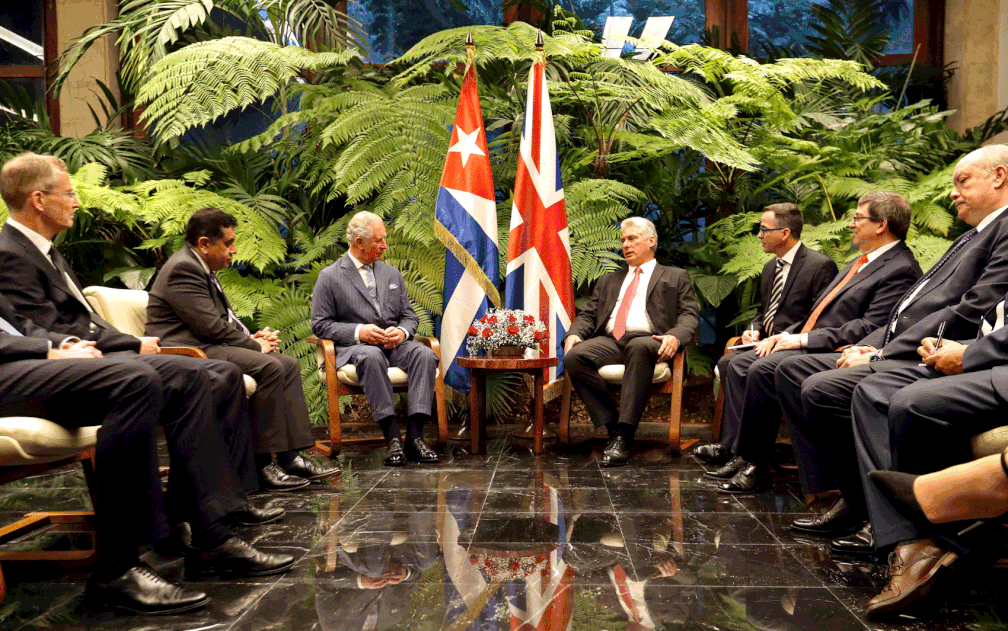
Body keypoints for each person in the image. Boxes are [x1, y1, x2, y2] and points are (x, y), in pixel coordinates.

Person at [773, 145, 1008, 553]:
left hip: (955, 351)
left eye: (962, 181)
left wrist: (884, 353)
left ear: (999, 177)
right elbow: (913, 311)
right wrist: (874, 348)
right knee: (800, 377)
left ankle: (895, 527)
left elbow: (972, 306)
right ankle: (863, 504)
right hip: (929, 345)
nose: (953, 194)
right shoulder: (975, 234)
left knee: (837, 387)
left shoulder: (996, 231)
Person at [0, 289, 291, 614]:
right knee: (135, 380)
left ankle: (211, 535)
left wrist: (61, 346)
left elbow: (20, 324)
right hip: (9, 367)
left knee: (191, 374)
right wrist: (48, 350)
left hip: (27, 361)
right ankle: (117, 568)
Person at [0, 153, 258, 495]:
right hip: (54, 370)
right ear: (39, 201)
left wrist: (130, 342)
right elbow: (50, 329)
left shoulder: (47, 251)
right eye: (68, 193)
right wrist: (127, 345)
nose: (77, 203)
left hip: (72, 359)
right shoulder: (11, 254)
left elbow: (73, 321)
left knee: (220, 374)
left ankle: (221, 503)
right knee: (183, 375)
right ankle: (192, 516)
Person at [703, 193, 921, 494]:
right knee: (739, 362)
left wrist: (801, 340)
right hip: (814, 340)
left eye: (858, 218)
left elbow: (871, 327)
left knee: (765, 369)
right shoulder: (861, 262)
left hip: (840, 349)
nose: (851, 224)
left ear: (881, 225)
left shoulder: (900, 268)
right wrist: (786, 334)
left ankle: (762, 466)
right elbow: (817, 312)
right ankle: (746, 457)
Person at [146, 207, 338, 490]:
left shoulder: (200, 266)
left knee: (288, 363)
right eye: (228, 243)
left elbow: (219, 321)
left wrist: (252, 337)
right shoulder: (183, 268)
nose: (234, 250)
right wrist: (254, 346)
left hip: (206, 343)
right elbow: (210, 326)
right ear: (204, 244)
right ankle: (261, 465)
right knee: (270, 365)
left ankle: (290, 456)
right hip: (187, 351)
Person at [846, 284, 1008, 618]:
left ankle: (929, 544)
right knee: (872, 390)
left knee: (912, 403)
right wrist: (965, 347)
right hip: (992, 353)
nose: (851, 226)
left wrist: (970, 355)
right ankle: (908, 539)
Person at [694, 203, 836, 467]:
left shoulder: (820, 266)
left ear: (784, 233)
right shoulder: (771, 267)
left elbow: (820, 317)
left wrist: (782, 337)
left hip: (794, 346)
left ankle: (742, 452)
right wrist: (753, 329)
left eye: (763, 229)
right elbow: (764, 311)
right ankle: (732, 447)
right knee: (727, 363)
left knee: (739, 366)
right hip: (765, 345)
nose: (758, 235)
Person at [563, 216, 699, 467]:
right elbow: (589, 315)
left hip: (651, 339)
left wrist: (675, 336)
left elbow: (689, 315)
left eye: (632, 238)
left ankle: (625, 436)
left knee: (637, 347)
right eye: (623, 240)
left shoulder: (675, 276)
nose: (626, 245)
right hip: (612, 339)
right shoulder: (609, 280)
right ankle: (613, 425)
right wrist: (575, 333)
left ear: (651, 241)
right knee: (574, 356)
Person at [311, 211, 439, 466]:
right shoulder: (329, 276)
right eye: (379, 240)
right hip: (355, 349)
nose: (385, 245)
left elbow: (409, 317)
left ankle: (414, 437)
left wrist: (402, 332)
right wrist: (359, 332)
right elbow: (320, 325)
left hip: (394, 346)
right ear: (359, 242)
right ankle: (392, 437)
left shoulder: (391, 274)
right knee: (370, 355)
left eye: (385, 239)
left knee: (425, 353)